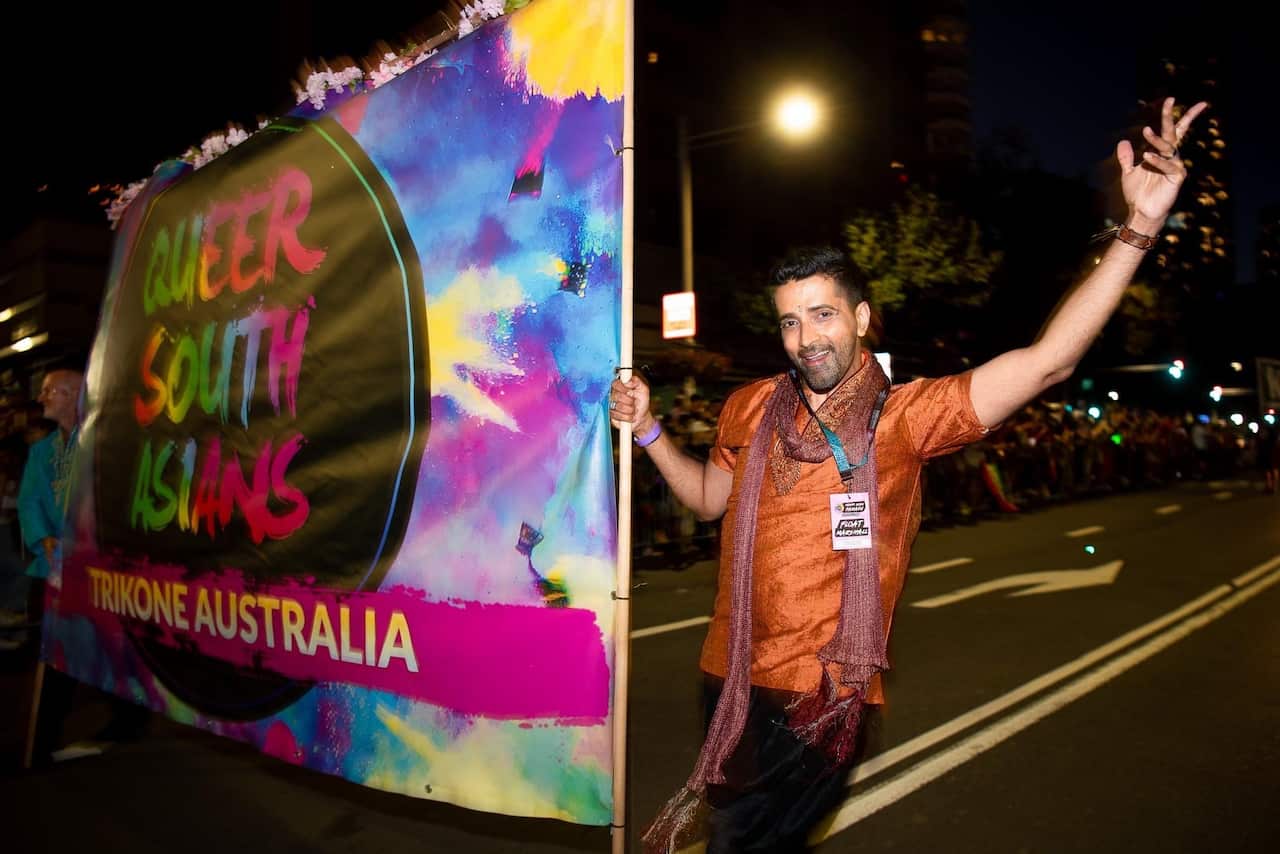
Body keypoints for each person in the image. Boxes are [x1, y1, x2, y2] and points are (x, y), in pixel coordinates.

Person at [612, 96, 1207, 854]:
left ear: (862, 319)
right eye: (791, 321)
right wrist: (651, 431)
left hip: (823, 695)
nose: (805, 338)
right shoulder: (751, 406)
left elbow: (1047, 360)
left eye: (823, 315)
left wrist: (1138, 230)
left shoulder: (907, 417)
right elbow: (707, 503)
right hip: (724, 675)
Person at [18, 367, 149, 761]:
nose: (41, 399)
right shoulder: (42, 452)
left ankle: (125, 718)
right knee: (58, 649)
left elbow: (116, 499)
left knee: (107, 646)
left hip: (95, 568)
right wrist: (44, 538)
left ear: (75, 394)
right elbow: (29, 502)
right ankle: (45, 736)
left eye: (49, 391)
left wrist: (84, 543)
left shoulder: (101, 441)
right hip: (54, 566)